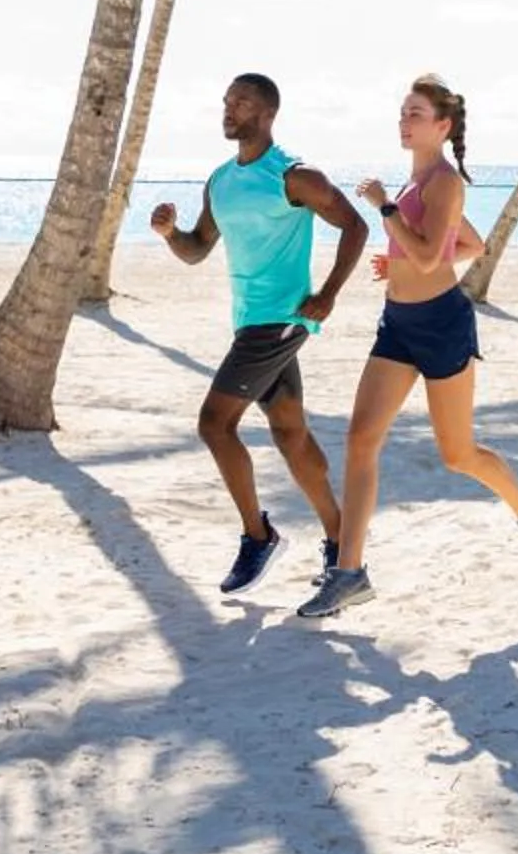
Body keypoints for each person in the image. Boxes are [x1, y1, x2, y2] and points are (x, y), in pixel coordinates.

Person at [294, 73, 518, 621]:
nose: (405, 122)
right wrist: (400, 258)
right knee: (361, 439)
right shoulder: (416, 186)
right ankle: (349, 572)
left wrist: (385, 210)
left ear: (443, 126)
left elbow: (438, 258)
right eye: (403, 113)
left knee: (457, 454)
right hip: (398, 324)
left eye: (416, 114)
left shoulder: (443, 183)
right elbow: (470, 244)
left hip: (441, 325)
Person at [149, 72, 368, 596]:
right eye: (226, 101)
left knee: (214, 423)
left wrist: (330, 293)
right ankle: (343, 549)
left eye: (241, 103)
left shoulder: (294, 176)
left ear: (267, 113)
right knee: (290, 433)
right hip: (251, 321)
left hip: (283, 319)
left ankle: (258, 534)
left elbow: (355, 227)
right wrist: (169, 235)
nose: (229, 110)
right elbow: (198, 247)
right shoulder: (220, 180)